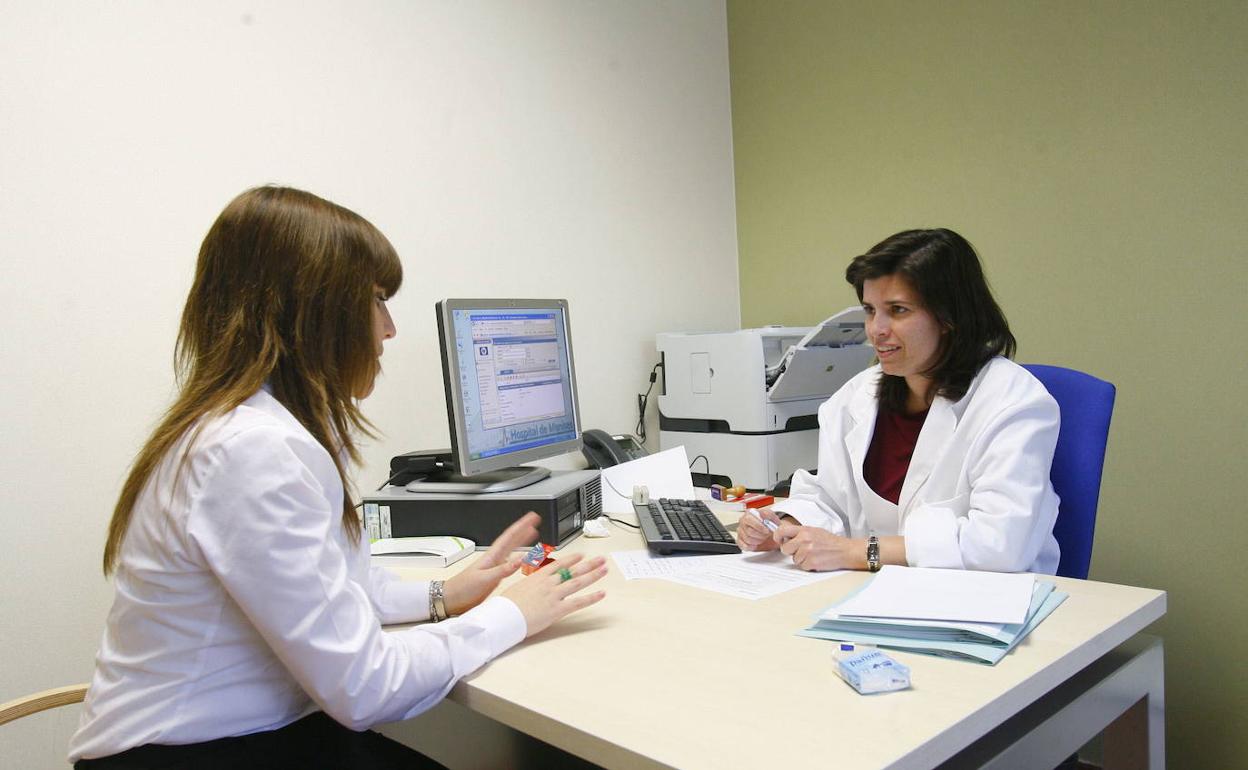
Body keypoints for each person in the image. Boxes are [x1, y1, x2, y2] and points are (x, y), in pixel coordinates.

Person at [69, 186, 608, 769]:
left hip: (244, 734)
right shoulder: (253, 451)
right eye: (376, 301)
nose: (389, 328)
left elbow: (340, 587)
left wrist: (445, 594)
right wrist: (510, 615)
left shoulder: (255, 429)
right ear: (313, 309)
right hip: (185, 754)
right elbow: (364, 687)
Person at [737, 228, 1060, 574]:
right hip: (873, 593)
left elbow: (1000, 546)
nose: (876, 329)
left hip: (980, 602)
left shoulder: (1013, 403)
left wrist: (859, 552)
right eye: (870, 310)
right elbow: (830, 498)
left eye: (898, 310)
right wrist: (786, 525)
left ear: (949, 317)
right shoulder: (855, 398)